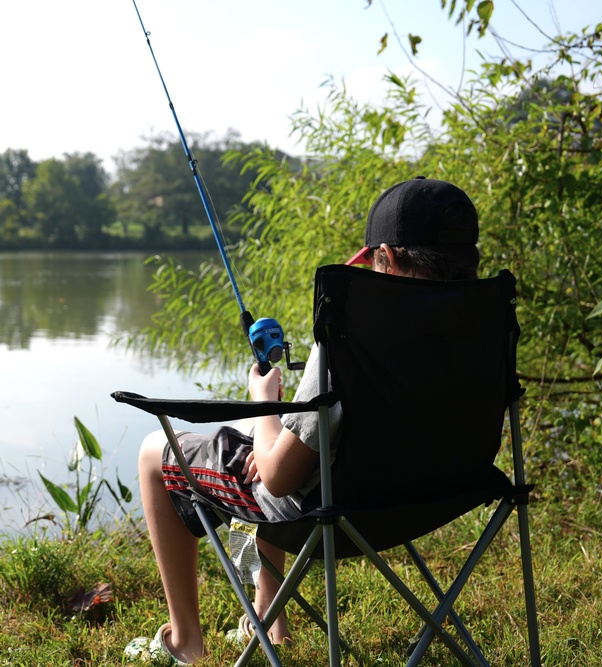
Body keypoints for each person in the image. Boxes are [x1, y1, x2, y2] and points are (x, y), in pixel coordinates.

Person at [124, 177, 481, 665]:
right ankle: (270, 614)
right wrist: (275, 429)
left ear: (388, 259)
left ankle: (185, 640)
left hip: (335, 510)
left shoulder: (350, 335)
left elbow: (277, 476)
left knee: (153, 452)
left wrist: (264, 400)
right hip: (432, 494)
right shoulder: (481, 323)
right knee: (263, 437)